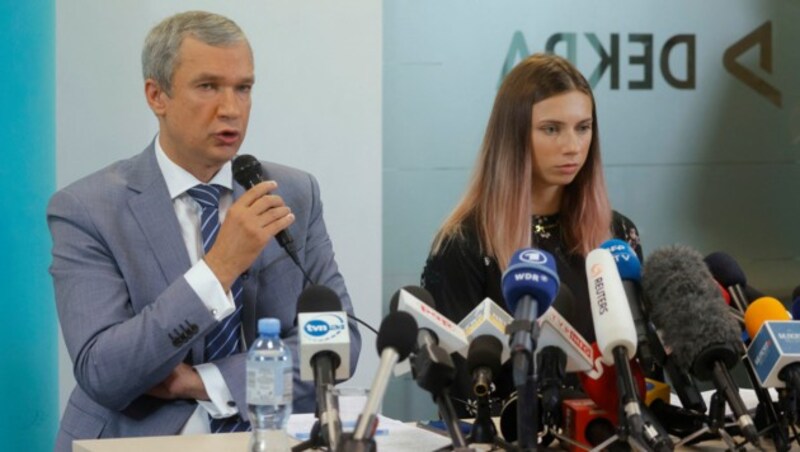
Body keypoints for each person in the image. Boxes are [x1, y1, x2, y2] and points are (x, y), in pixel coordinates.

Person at [48, 11, 361, 449]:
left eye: (243, 88)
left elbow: (337, 345)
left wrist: (204, 382)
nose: (230, 108)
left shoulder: (291, 192)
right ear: (157, 96)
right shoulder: (87, 209)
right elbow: (105, 372)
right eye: (208, 86)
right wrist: (217, 270)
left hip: (267, 437)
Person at [420, 53, 642, 415]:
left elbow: (635, 371)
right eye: (552, 129)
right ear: (514, 135)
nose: (572, 146)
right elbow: (459, 393)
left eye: (583, 127)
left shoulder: (617, 236)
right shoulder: (463, 243)